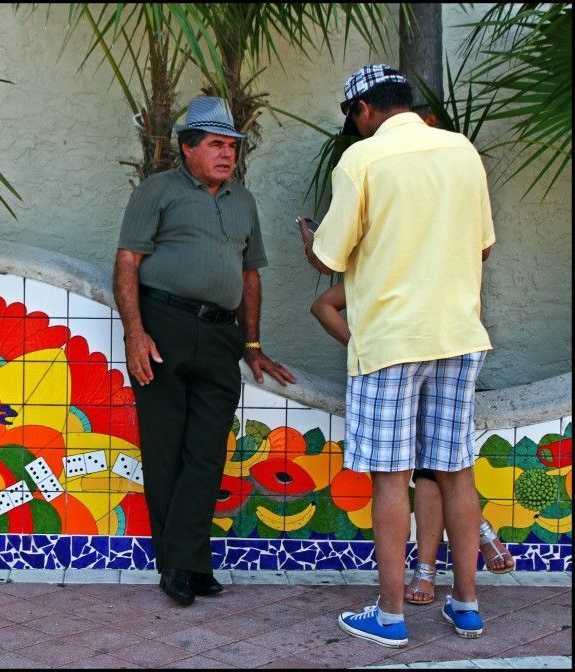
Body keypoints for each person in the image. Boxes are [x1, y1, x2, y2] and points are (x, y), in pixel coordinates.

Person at [300, 64, 496, 647]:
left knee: (392, 480)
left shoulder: (362, 160)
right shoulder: (462, 151)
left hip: (390, 343)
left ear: (363, 111)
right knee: (455, 472)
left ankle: (389, 616)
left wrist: (310, 242)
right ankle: (466, 604)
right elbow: (483, 248)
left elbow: (329, 258)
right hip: (458, 335)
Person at [114, 96, 296, 607]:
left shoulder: (243, 200)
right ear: (188, 148)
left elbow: (249, 274)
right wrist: (135, 333)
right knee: (165, 448)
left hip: (220, 337)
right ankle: (181, 566)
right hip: (164, 327)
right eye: (215, 144)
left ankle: (187, 559)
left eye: (232, 146)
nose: (226, 154)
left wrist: (252, 343)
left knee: (207, 453)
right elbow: (127, 261)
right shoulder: (159, 190)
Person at [304, 279, 515, 608]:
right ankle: (464, 589)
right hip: (445, 354)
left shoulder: (395, 260)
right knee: (448, 470)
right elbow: (323, 305)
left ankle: (418, 582)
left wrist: (364, 347)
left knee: (421, 472)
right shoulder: (428, 258)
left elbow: (322, 274)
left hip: (402, 361)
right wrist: (360, 345)